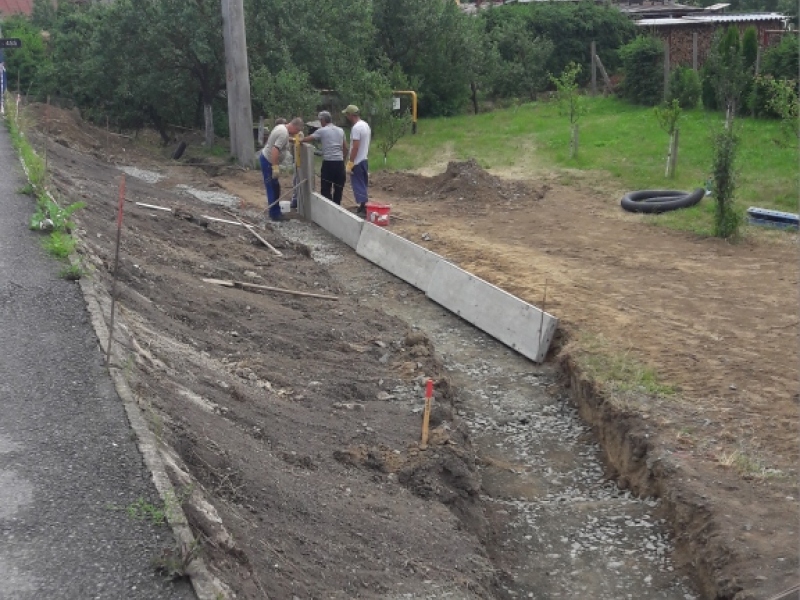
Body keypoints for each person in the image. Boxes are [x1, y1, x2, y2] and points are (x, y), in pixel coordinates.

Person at [260, 117, 303, 222]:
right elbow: (275, 150)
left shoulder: (281, 127)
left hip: (267, 159)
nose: (295, 133)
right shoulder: (283, 133)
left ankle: (275, 211)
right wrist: (275, 168)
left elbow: (283, 139)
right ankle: (274, 215)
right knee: (272, 188)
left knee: (275, 187)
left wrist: (294, 140)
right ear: (294, 127)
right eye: (296, 131)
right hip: (268, 162)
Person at [302, 111, 347, 205]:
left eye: (320, 120)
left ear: (323, 120)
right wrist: (343, 160)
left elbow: (307, 139)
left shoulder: (322, 131)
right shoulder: (340, 130)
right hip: (340, 163)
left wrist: (295, 139)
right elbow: (345, 148)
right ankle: (337, 207)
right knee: (339, 188)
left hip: (329, 163)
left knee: (326, 188)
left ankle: (329, 208)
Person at [342, 104, 371, 216]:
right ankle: (363, 206)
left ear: (350, 115)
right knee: (363, 184)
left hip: (357, 161)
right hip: (364, 159)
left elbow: (355, 146)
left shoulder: (356, 128)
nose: (346, 117)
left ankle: (364, 209)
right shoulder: (365, 125)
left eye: (347, 115)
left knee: (358, 185)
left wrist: (351, 162)